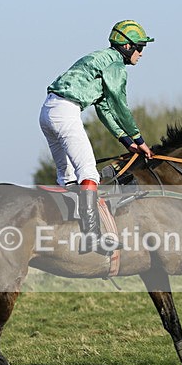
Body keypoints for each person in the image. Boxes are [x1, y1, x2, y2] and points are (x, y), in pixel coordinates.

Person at [39, 20, 155, 254]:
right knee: (89, 173)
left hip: (47, 111)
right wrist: (140, 140)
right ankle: (92, 238)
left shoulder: (102, 59)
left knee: (68, 178)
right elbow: (120, 106)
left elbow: (104, 108)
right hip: (66, 112)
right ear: (126, 46)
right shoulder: (115, 66)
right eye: (139, 47)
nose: (141, 53)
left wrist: (126, 140)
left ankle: (68, 232)